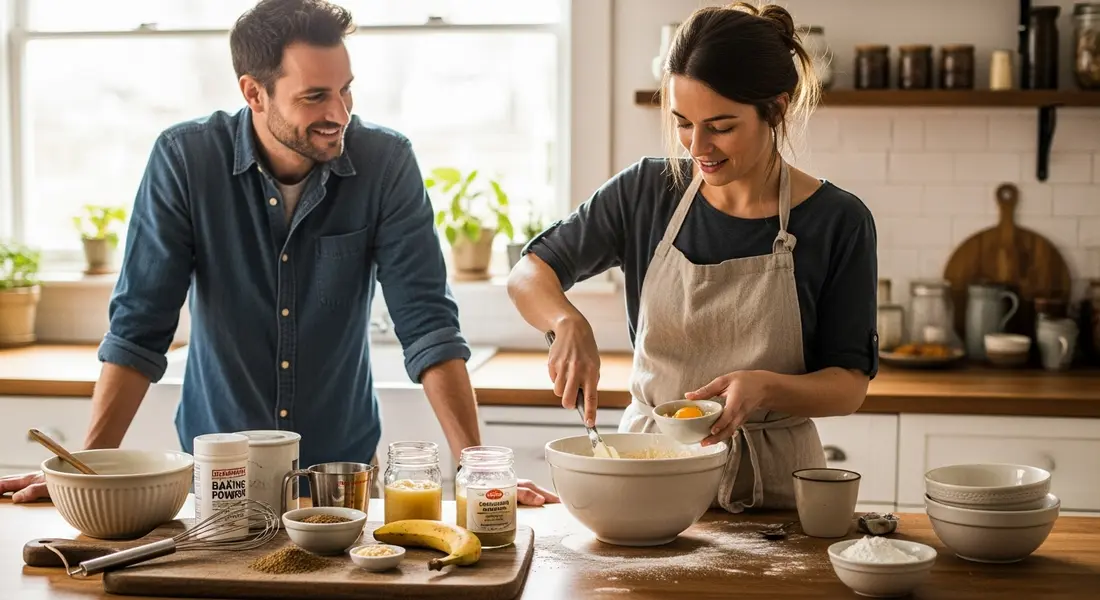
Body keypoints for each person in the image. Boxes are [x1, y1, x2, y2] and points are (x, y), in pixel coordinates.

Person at [1, 0, 557, 507]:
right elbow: (139, 329)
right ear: (253, 92)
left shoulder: (386, 163)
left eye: (345, 90)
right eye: (315, 96)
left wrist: (474, 468)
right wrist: (86, 469)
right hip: (220, 471)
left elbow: (428, 325)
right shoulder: (185, 161)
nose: (338, 112)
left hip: (342, 475)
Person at [507, 2, 877, 512]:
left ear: (777, 108)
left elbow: (848, 388)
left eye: (721, 126)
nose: (698, 147)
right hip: (648, 473)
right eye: (683, 123)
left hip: (771, 489)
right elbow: (529, 272)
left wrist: (764, 389)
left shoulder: (838, 221)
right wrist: (566, 320)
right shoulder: (647, 192)